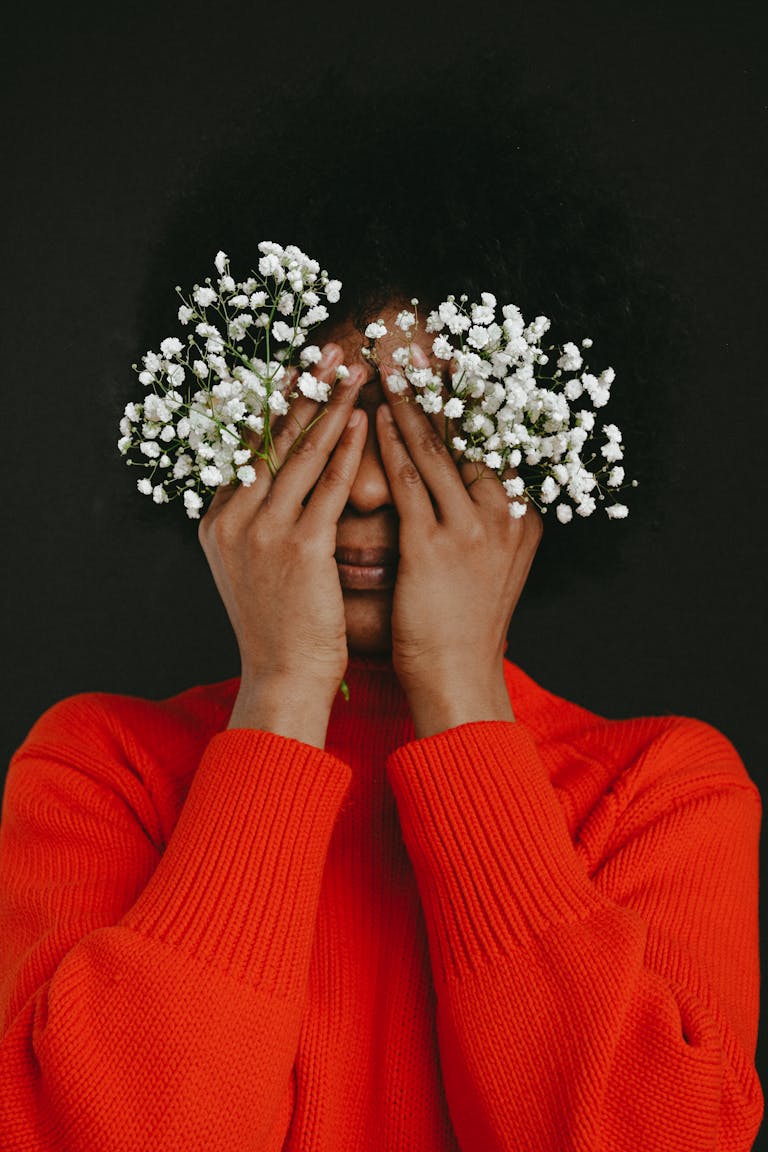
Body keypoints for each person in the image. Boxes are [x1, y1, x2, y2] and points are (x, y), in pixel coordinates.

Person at [0, 60, 763, 1149]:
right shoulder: (97, 771)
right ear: (223, 440)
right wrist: (283, 693)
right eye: (322, 422)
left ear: (540, 458)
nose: (364, 486)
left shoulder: (662, 795)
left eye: (424, 431)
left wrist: (460, 692)